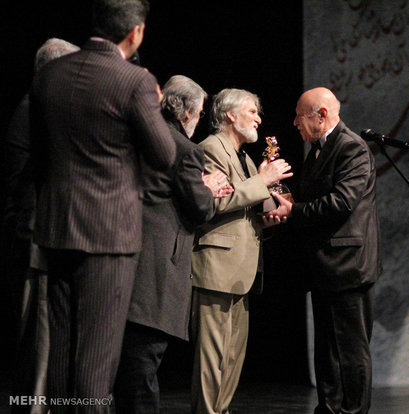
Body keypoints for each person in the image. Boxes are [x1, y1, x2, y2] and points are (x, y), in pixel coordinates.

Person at [28, 0, 176, 410]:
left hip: (56, 228)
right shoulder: (134, 81)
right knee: (96, 361)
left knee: (61, 355)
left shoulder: (49, 75)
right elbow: (164, 155)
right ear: (136, 33)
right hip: (109, 235)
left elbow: (38, 156)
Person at [113, 75, 232, 413]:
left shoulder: (134, 137)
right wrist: (208, 188)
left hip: (119, 263)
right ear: (189, 111)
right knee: (142, 371)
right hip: (155, 276)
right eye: (200, 112)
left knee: (120, 370)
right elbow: (200, 210)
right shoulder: (185, 150)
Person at [268, 87, 382, 414]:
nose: (294, 123)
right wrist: (288, 201)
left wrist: (295, 211)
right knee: (327, 351)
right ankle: (329, 409)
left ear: (321, 115)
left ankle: (353, 412)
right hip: (324, 266)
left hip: (348, 267)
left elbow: (341, 203)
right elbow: (311, 197)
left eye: (299, 116)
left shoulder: (352, 149)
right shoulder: (318, 150)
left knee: (350, 350)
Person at [190, 88, 292, 414]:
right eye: (252, 111)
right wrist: (262, 180)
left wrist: (269, 217)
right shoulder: (210, 149)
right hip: (215, 267)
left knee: (233, 355)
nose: (258, 119)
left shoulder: (245, 157)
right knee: (212, 357)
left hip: (243, 269)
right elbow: (215, 202)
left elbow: (244, 208)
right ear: (231, 115)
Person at [2, 38, 79, 414]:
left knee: (46, 341)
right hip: (36, 239)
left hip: (43, 237)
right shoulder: (35, 111)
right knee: (40, 344)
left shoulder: (39, 110)